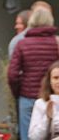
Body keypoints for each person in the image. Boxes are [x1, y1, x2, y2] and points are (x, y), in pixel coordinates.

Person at [10, 9, 59, 140]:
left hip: (27, 95)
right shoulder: (56, 43)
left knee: (28, 135)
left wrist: (18, 93)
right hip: (51, 96)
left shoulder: (22, 44)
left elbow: (12, 74)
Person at [26, 60, 59, 140]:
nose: (58, 81)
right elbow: (34, 136)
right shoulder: (41, 104)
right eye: (55, 78)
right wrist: (47, 118)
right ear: (49, 81)